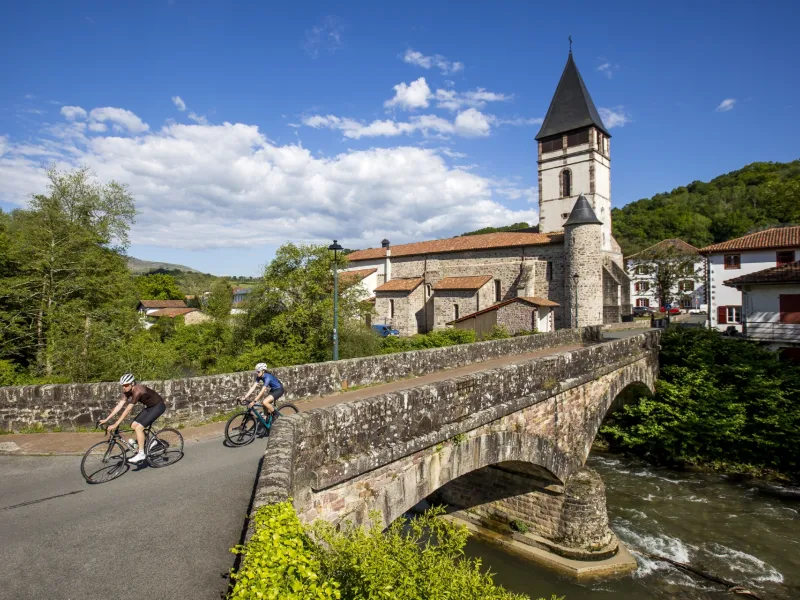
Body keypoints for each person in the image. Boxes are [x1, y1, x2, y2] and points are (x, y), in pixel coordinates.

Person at [99, 374, 166, 464]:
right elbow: (119, 405)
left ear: (132, 383)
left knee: (139, 428)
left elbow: (127, 411)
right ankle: (151, 441)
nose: (124, 387)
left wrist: (116, 424)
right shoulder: (127, 391)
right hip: (149, 407)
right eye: (123, 385)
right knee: (133, 425)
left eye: (126, 385)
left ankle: (141, 454)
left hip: (158, 406)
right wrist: (106, 419)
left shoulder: (138, 391)